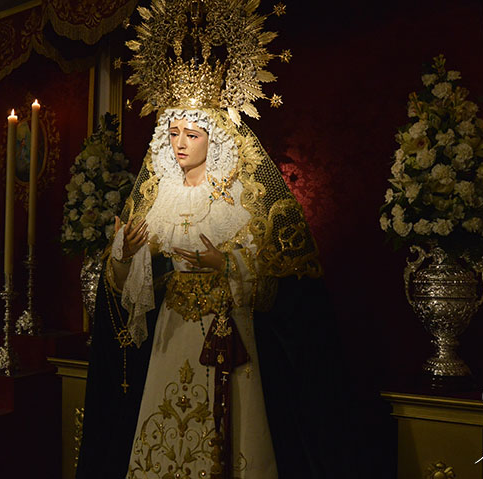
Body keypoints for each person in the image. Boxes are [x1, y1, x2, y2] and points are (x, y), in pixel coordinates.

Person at [76, 2, 353, 478]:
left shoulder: (241, 199)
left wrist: (226, 265)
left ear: (216, 137)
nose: (180, 142)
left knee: (232, 438)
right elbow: (127, 296)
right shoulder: (156, 200)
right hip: (169, 335)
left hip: (228, 332)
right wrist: (124, 258)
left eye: (192, 133)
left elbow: (281, 284)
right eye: (173, 132)